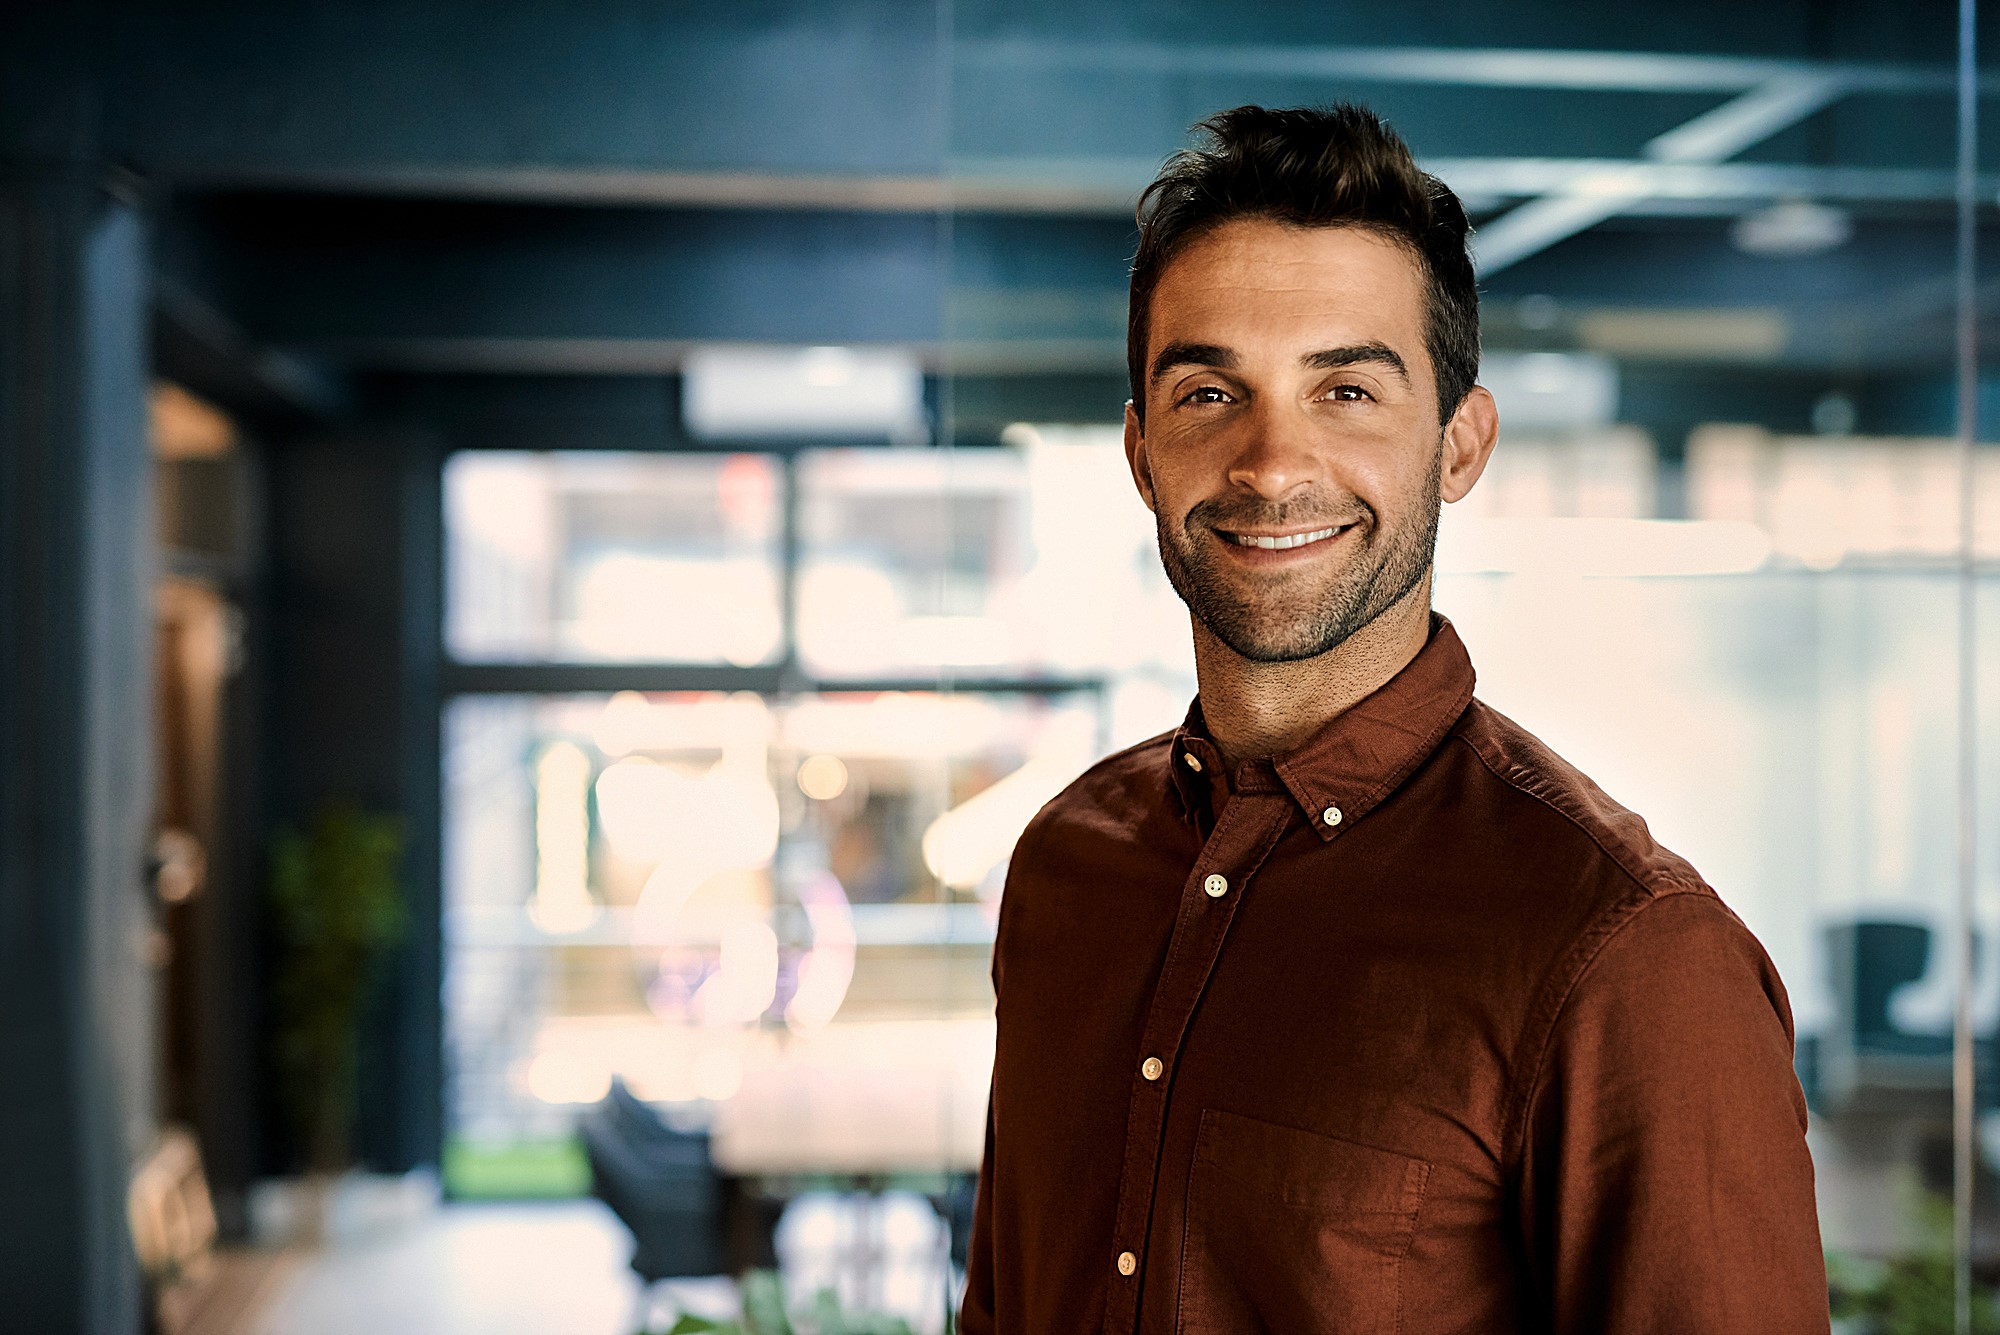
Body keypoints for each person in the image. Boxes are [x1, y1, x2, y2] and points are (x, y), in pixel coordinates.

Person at [957, 104, 1826, 1335]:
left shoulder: (1625, 952)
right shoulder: (1066, 863)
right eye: (1209, 391)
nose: (1269, 462)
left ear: (1458, 445)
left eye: (1347, 389)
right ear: (1141, 451)